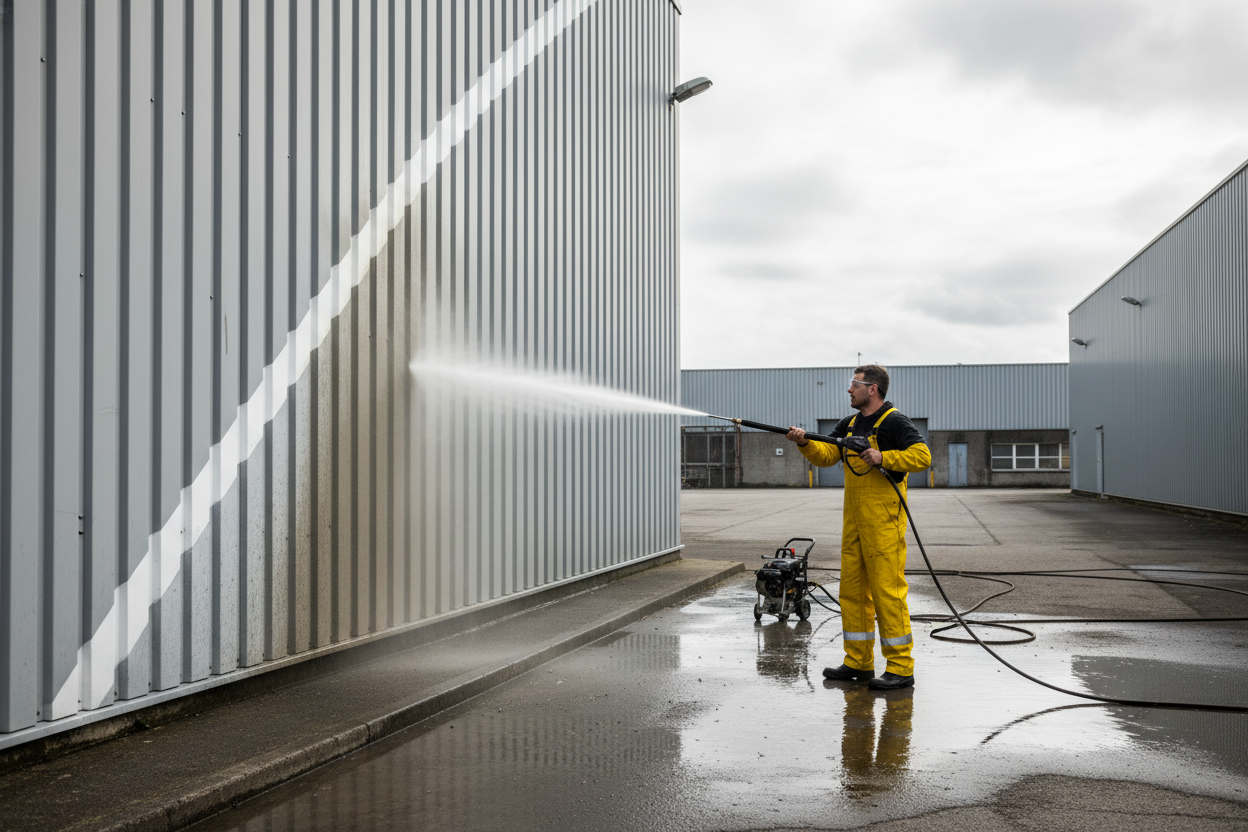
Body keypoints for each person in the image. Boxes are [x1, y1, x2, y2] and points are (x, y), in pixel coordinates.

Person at [784, 365, 931, 690]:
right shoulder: (849, 424)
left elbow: (922, 456)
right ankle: (858, 662)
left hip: (884, 524)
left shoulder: (894, 421)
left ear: (873, 389)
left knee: (887, 594)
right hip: (854, 525)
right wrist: (805, 442)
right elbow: (827, 455)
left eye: (854, 385)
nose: (849, 390)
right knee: (851, 593)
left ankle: (901, 668)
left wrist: (884, 457)